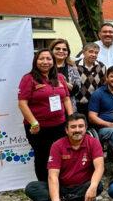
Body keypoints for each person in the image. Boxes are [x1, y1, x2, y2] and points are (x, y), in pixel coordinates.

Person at [25, 113, 104, 201]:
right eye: (73, 127)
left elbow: (99, 167)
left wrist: (93, 187)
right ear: (66, 130)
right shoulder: (57, 145)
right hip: (61, 188)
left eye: (80, 126)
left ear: (85, 128)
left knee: (98, 186)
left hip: (81, 188)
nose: (77, 130)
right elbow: (52, 176)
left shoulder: (93, 143)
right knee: (32, 188)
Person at [18, 49, 73, 181]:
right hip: (39, 128)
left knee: (62, 155)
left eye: (48, 59)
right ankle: (45, 187)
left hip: (60, 126)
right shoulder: (28, 79)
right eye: (41, 59)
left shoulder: (59, 78)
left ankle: (61, 184)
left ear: (53, 62)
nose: (45, 62)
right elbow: (22, 103)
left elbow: (66, 99)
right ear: (36, 61)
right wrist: (34, 123)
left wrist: (71, 118)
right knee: (43, 157)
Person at [75, 43, 106, 118]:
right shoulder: (74, 66)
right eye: (91, 52)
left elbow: (104, 84)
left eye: (96, 52)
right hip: (78, 103)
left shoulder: (101, 66)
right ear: (83, 52)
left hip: (95, 104)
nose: (94, 54)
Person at [50, 39, 81, 112]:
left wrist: (63, 82)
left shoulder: (72, 67)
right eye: (57, 49)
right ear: (51, 51)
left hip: (69, 108)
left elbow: (77, 88)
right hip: (49, 108)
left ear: (68, 52)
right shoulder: (46, 67)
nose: (61, 51)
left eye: (64, 49)